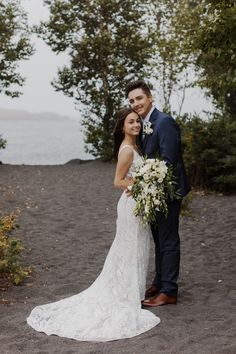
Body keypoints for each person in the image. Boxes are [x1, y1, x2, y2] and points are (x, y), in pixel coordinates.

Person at [27, 107, 160, 341]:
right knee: (129, 250)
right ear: (122, 127)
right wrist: (141, 181)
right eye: (131, 122)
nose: (136, 125)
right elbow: (118, 181)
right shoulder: (127, 150)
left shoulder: (136, 145)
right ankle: (127, 296)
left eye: (138, 122)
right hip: (131, 205)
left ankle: (132, 293)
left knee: (137, 249)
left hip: (138, 204)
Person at [126, 80, 190, 307]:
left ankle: (169, 291)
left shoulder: (164, 122)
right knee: (158, 238)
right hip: (153, 191)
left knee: (169, 239)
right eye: (132, 101)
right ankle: (160, 280)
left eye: (139, 98)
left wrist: (151, 182)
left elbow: (169, 162)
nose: (135, 103)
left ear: (150, 97)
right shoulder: (143, 123)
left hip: (168, 190)